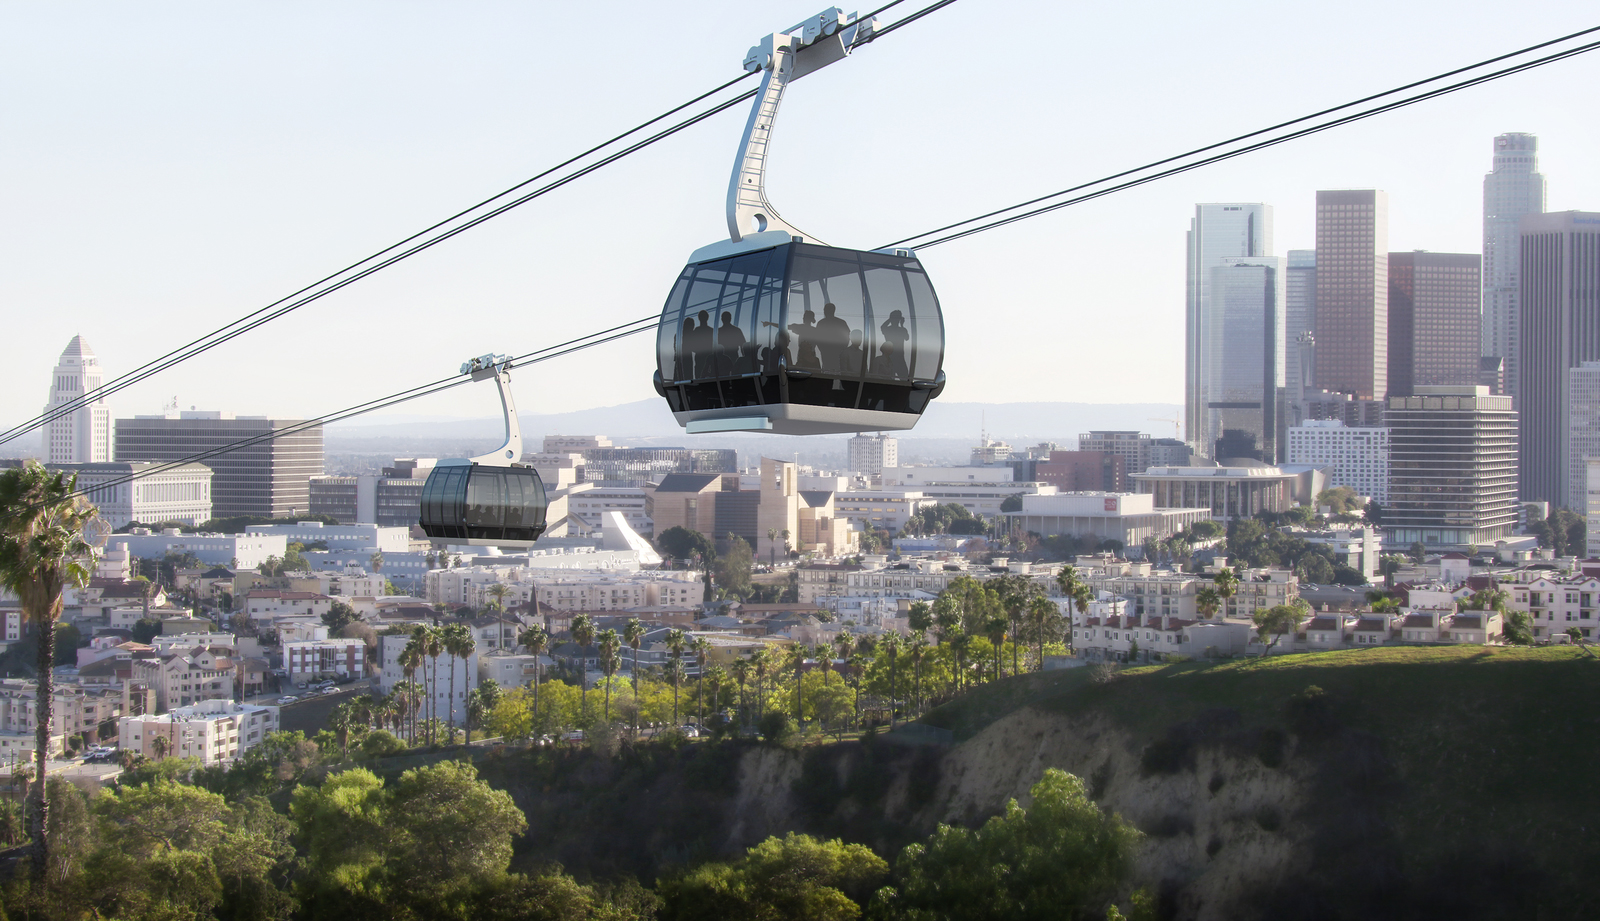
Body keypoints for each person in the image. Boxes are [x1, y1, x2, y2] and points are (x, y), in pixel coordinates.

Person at [813, 303, 851, 373]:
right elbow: (847, 337)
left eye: (825, 310)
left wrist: (824, 350)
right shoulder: (841, 322)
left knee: (828, 373)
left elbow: (817, 339)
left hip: (829, 354)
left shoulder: (821, 323)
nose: (824, 311)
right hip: (834, 353)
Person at [879, 310, 911, 379]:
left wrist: (901, 325)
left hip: (899, 357)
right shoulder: (889, 329)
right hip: (890, 357)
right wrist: (892, 319)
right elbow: (882, 327)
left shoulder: (901, 329)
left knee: (904, 378)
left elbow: (907, 337)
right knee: (890, 378)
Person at [716, 311, 747, 377]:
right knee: (734, 374)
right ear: (730, 319)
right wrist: (745, 358)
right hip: (732, 355)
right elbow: (743, 345)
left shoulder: (719, 331)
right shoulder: (736, 330)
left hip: (722, 357)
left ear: (722, 319)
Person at [687, 310, 716, 378]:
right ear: (707, 318)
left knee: (699, 375)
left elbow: (691, 346)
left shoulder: (696, 331)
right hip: (708, 356)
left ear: (699, 318)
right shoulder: (711, 331)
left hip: (700, 357)